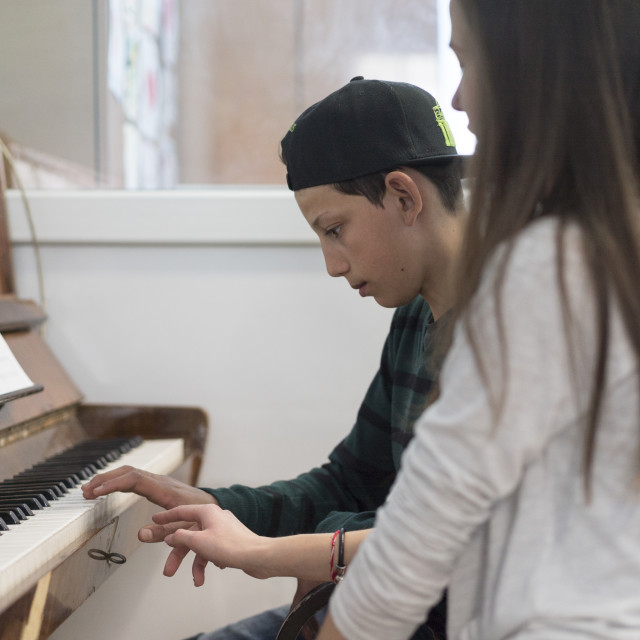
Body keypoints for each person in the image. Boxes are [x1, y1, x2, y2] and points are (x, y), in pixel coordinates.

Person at [82, 77, 466, 640]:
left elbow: (457, 539)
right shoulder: (415, 317)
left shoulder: (513, 329)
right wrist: (218, 505)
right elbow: (353, 481)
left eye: (336, 230)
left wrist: (274, 553)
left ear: (405, 197)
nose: (333, 265)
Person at [310, 1, 640, 639]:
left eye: (466, 60)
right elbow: (359, 475)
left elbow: (420, 534)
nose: (458, 101)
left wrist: (270, 555)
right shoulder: (607, 251)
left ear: (532, 66)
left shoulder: (556, 266)